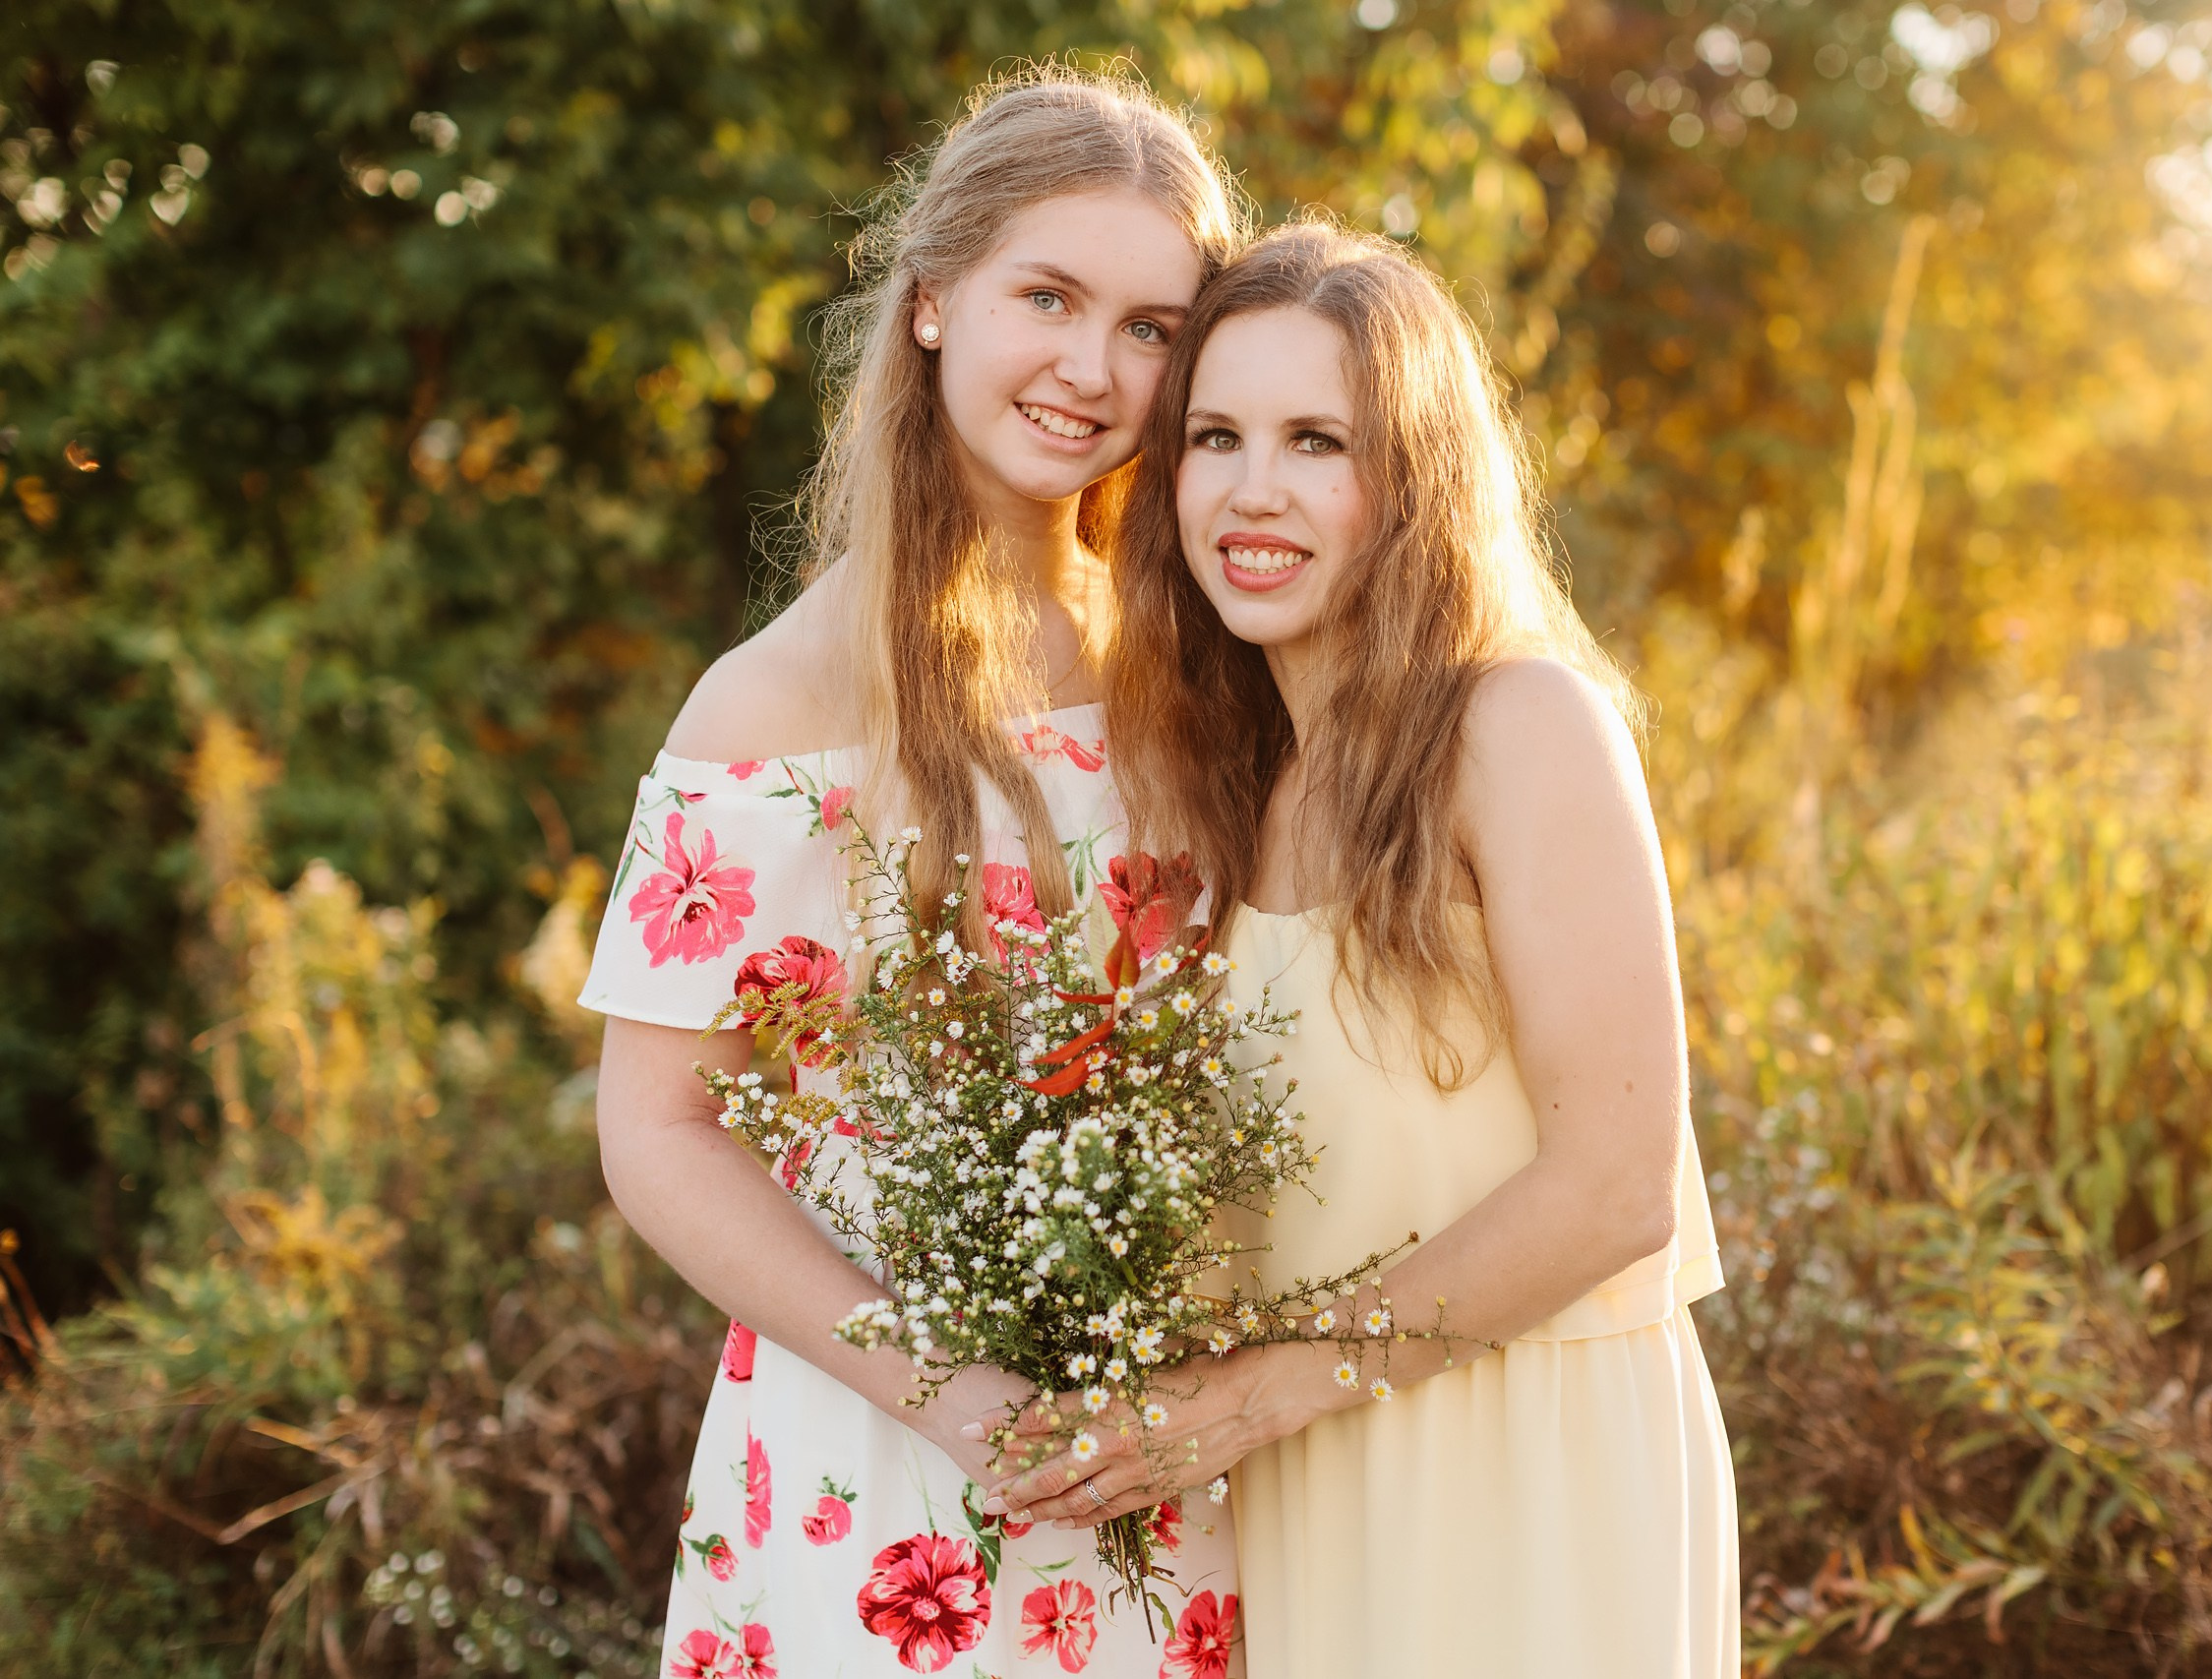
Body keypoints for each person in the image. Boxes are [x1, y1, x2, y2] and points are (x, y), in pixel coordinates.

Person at [982, 220, 1740, 1676]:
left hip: (1530, 1483)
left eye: (1317, 440)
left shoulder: (1519, 725)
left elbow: (1613, 1190)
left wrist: (1260, 1392)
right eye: (1214, 436)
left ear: (1413, 480)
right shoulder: (1233, 782)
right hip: (1314, 1487)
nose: (1253, 493)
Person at [580, 68, 1249, 1678]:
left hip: (1176, 1463)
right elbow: (657, 1126)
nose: (1093, 369)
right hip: (887, 1473)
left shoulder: (1204, 657)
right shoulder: (774, 703)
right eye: (1049, 297)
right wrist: (953, 1393)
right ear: (936, 299)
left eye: (1153, 328)